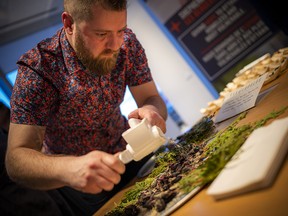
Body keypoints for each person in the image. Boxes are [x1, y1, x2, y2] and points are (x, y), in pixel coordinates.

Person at [5, 0, 167, 215]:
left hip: (133, 154)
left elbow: (150, 97)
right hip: (84, 181)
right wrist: (71, 168)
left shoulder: (127, 43)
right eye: (101, 34)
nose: (115, 44)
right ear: (69, 23)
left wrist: (152, 111)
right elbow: (16, 159)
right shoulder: (38, 70)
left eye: (120, 30)